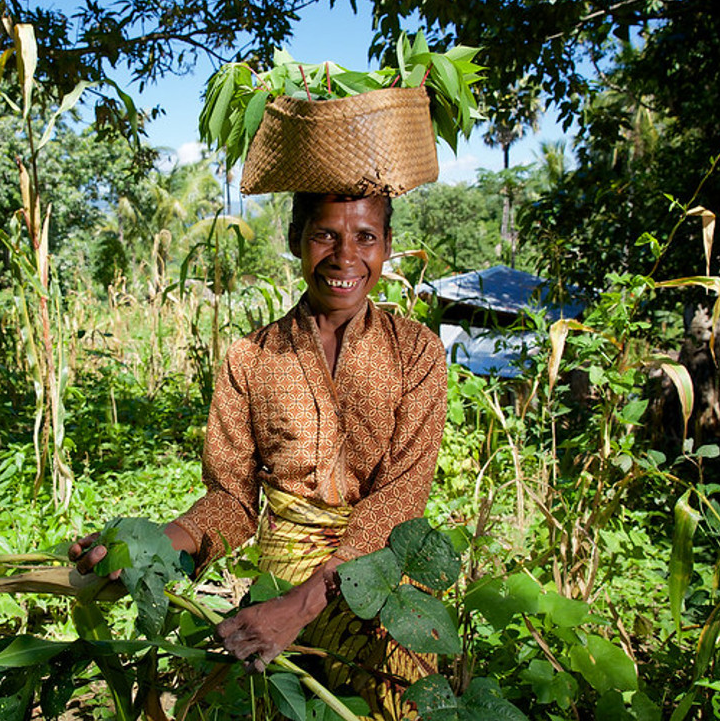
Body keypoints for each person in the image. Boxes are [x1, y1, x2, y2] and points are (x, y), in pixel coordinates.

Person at [70, 192, 447, 719]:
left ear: (386, 247)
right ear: (296, 240)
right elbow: (232, 503)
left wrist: (302, 605)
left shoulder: (417, 352)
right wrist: (149, 544)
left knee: (401, 688)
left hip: (380, 568)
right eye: (324, 235)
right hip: (283, 569)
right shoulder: (252, 358)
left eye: (366, 237)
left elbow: (401, 499)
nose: (345, 256)